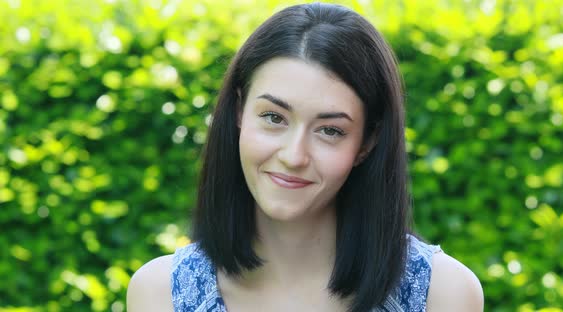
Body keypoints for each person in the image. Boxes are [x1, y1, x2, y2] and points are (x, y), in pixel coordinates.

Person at [127, 3, 484, 311]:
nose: (294, 155)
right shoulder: (161, 294)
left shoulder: (442, 295)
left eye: (330, 130)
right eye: (273, 118)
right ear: (239, 112)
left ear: (367, 142)